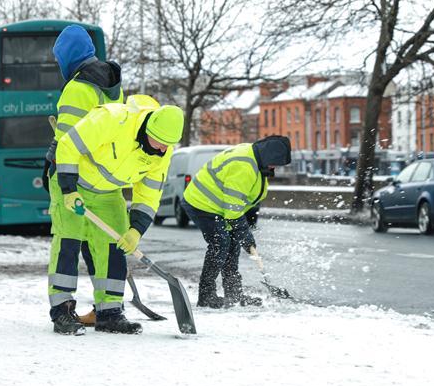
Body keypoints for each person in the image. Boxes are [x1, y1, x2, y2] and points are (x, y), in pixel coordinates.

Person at [49, 95, 184, 335]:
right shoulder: (114, 119)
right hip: (73, 181)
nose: (163, 149)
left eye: (169, 144)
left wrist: (136, 230)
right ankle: (62, 311)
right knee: (69, 240)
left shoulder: (163, 152)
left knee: (113, 246)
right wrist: (68, 190)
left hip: (108, 193)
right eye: (160, 142)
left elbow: (149, 193)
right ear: (147, 128)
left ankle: (109, 312)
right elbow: (68, 146)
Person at [44, 25, 124, 325]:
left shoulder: (76, 90)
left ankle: (62, 310)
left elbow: (67, 144)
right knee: (110, 245)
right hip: (107, 181)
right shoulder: (113, 89)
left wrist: (64, 183)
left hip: (73, 180)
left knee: (67, 242)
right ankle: (110, 312)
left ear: (67, 57)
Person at [181, 135, 291, 308]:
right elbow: (233, 212)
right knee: (221, 242)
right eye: (274, 163)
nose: (274, 167)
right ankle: (206, 295)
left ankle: (234, 294)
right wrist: (246, 236)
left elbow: (239, 205)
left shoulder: (255, 159)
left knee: (232, 245)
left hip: (219, 206)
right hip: (201, 203)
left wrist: (243, 235)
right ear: (268, 156)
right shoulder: (244, 166)